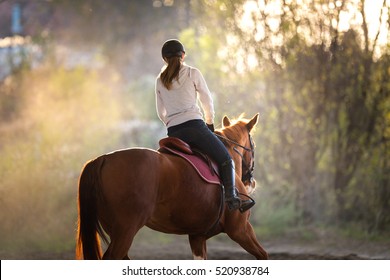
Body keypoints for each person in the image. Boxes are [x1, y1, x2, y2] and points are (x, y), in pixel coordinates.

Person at [155, 39, 254, 212]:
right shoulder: (192, 73)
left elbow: (160, 112)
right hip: (195, 128)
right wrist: (209, 123)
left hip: (174, 132)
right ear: (183, 56)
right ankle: (232, 197)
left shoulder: (159, 80)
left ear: (164, 59)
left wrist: (171, 123)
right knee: (226, 159)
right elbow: (207, 101)